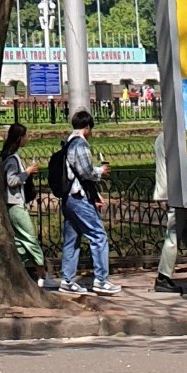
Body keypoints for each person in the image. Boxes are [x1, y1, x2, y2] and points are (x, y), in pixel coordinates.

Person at [55, 110, 120, 295]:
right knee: (98, 236)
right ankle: (101, 280)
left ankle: (67, 280)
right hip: (78, 198)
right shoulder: (80, 145)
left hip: (69, 197)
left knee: (72, 239)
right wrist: (101, 171)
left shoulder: (68, 143)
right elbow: (86, 172)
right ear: (87, 127)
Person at [0, 123, 45, 283]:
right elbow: (12, 180)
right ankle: (41, 270)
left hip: (12, 203)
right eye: (25, 136)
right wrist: (27, 172)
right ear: (19, 138)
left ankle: (26, 270)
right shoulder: (12, 159)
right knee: (30, 236)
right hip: (15, 203)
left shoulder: (7, 156)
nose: (27, 138)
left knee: (20, 239)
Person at [152, 122, 187, 295]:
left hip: (168, 190)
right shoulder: (174, 138)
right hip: (174, 191)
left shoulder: (162, 137)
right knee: (173, 234)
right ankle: (163, 276)